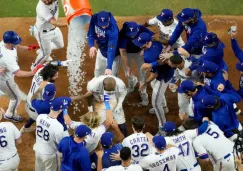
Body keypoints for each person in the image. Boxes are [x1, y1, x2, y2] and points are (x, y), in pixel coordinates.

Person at [133, 32, 174, 132]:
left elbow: (154, 75)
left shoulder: (149, 56)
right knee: (153, 84)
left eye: (141, 45)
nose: (139, 46)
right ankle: (164, 107)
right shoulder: (157, 43)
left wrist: (144, 83)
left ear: (147, 43)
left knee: (155, 103)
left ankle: (163, 127)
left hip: (163, 76)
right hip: (167, 70)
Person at [0, 31, 36, 122]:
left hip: (4, 73)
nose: (16, 44)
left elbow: (16, 46)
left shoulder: (3, 43)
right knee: (16, 97)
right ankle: (10, 115)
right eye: (14, 42)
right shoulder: (8, 58)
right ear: (8, 42)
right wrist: (33, 72)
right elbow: (18, 73)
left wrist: (27, 48)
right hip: (5, 80)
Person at [118, 21, 154, 106]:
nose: (132, 35)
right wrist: (127, 66)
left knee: (142, 72)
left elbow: (151, 37)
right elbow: (122, 52)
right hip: (127, 53)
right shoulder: (122, 34)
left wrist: (144, 49)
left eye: (133, 33)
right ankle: (131, 84)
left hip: (139, 52)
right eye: (130, 34)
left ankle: (144, 96)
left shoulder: (141, 28)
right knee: (127, 72)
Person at [21, 63, 59, 133]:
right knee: (47, 118)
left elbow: (46, 64)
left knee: (33, 117)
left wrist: (59, 63)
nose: (57, 76)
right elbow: (47, 103)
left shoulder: (40, 71)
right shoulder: (49, 86)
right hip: (35, 108)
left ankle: (25, 128)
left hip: (28, 101)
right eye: (55, 76)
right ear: (49, 77)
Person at [33, 98, 68, 171]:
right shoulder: (58, 126)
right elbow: (60, 144)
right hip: (49, 155)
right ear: (60, 110)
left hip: (38, 150)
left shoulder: (40, 117)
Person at [31, 0, 67, 69]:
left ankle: (43, 49)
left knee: (60, 45)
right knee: (45, 55)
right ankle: (34, 67)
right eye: (44, 0)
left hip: (55, 29)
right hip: (43, 33)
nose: (47, 2)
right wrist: (68, 23)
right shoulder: (41, 8)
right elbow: (53, 22)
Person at [87, 11, 120, 76]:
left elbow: (111, 49)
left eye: (105, 24)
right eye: (101, 25)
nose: (103, 27)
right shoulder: (94, 18)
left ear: (109, 20)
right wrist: (91, 46)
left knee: (111, 78)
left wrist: (109, 67)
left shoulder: (114, 30)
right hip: (101, 51)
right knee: (97, 74)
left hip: (113, 56)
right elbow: (90, 34)